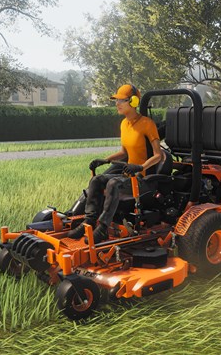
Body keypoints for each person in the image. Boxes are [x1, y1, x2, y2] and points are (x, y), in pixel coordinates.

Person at [67, 84, 163, 243]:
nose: (117, 104)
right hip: (129, 177)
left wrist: (140, 167)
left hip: (143, 180)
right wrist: (105, 160)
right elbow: (124, 152)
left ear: (133, 101)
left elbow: (158, 155)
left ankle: (103, 228)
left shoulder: (147, 124)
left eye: (121, 100)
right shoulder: (124, 124)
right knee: (96, 180)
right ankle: (88, 222)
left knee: (113, 183)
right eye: (116, 100)